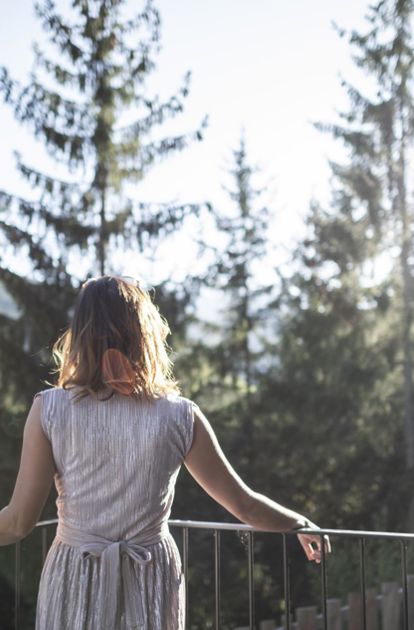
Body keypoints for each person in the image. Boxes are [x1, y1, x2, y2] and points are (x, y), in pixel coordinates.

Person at [0, 275, 330, 629]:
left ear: (80, 335)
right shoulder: (179, 415)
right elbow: (243, 503)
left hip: (75, 575)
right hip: (151, 578)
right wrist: (299, 523)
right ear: (145, 334)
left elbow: (19, 522)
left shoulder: (50, 409)